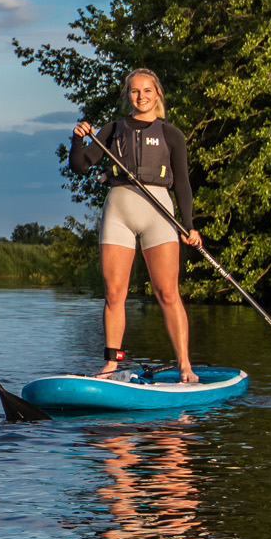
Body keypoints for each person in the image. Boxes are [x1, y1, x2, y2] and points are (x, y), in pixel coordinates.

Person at [70, 69, 201, 381]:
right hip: (119, 212)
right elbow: (79, 165)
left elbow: (182, 183)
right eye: (134, 91)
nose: (141, 97)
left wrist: (189, 225)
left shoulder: (172, 134)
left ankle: (185, 365)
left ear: (157, 93)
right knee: (114, 293)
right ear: (127, 95)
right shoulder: (112, 129)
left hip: (160, 214)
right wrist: (76, 139)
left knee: (167, 292)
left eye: (146, 91)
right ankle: (112, 363)